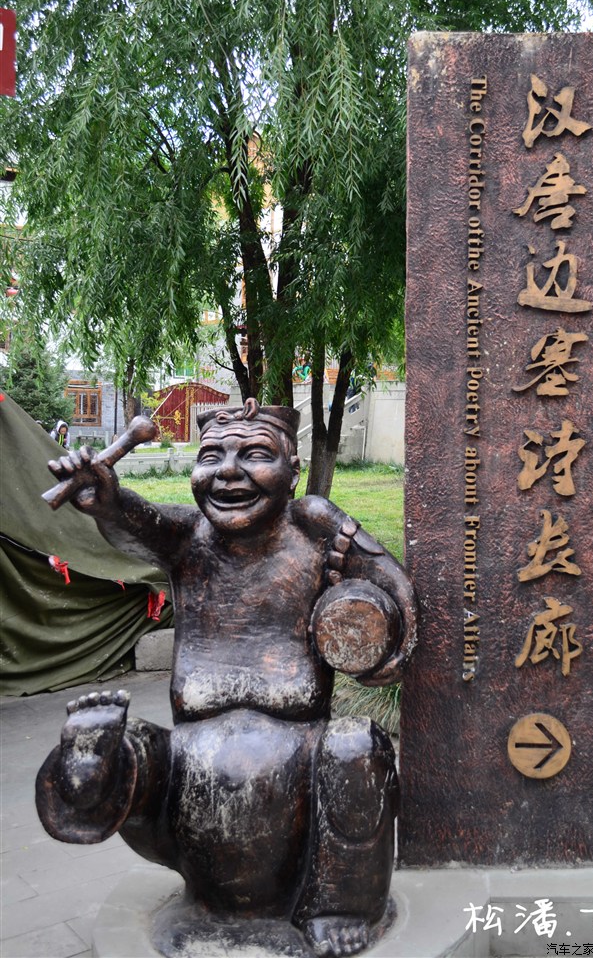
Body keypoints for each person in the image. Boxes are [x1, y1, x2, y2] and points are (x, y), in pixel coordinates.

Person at [36, 399, 417, 958]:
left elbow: (395, 592)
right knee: (129, 746)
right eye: (211, 457)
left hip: (301, 776)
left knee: (357, 746)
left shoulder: (312, 528)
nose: (229, 472)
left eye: (255, 454)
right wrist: (107, 499)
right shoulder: (187, 536)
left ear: (292, 470)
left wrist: (373, 635)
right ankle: (88, 773)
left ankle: (340, 905)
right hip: (184, 781)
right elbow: (135, 521)